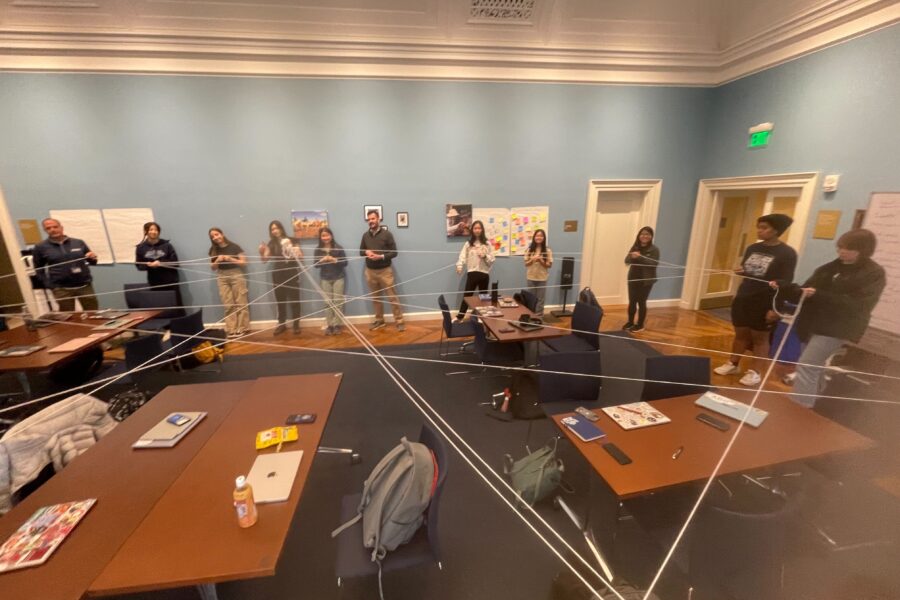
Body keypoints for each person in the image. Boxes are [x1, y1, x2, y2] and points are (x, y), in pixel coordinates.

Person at [780, 229, 885, 407]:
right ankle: (818, 402)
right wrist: (786, 288)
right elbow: (806, 290)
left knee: (807, 365)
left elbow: (859, 304)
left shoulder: (873, 273)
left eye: (849, 248)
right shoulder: (829, 268)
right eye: (840, 247)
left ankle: (799, 407)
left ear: (864, 250)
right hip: (811, 323)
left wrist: (819, 295)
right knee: (815, 365)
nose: (842, 252)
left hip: (837, 327)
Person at [714, 214, 797, 386]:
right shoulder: (752, 248)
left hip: (766, 301)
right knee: (741, 334)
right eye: (758, 227)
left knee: (760, 338)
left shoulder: (787, 253)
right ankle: (733, 364)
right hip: (745, 297)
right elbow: (748, 271)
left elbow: (787, 282)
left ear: (776, 230)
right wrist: (741, 271)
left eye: (764, 227)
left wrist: (776, 308)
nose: (759, 230)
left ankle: (755, 372)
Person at [32, 218, 99, 312]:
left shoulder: (78, 242)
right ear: (45, 230)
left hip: (84, 286)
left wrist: (92, 258)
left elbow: (92, 262)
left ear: (61, 228)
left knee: (93, 313)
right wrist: (50, 286)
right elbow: (38, 269)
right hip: (61, 289)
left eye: (55, 227)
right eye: (48, 228)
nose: (52, 229)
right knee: (67, 316)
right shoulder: (40, 247)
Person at [359, 210, 405, 331]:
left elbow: (394, 252)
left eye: (373, 219)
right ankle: (380, 321)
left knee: (392, 297)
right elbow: (360, 251)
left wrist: (381, 256)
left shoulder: (387, 234)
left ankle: (399, 321)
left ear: (378, 219)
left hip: (385, 271)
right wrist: (366, 252)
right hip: (370, 271)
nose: (371, 221)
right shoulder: (365, 235)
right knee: (376, 298)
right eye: (369, 219)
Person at [258, 220, 302, 336]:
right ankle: (281, 324)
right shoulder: (271, 243)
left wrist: (295, 251)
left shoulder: (292, 240)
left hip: (292, 272)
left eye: (277, 228)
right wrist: (261, 251)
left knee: (295, 299)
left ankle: (296, 325)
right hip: (278, 274)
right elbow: (264, 260)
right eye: (272, 229)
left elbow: (301, 257)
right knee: (280, 300)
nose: (275, 230)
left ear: (281, 228)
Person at [209, 227, 249, 339]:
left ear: (222, 234)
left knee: (241, 301)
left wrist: (230, 259)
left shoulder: (234, 247)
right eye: (213, 236)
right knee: (228, 304)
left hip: (236, 274)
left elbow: (244, 263)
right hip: (222, 276)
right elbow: (213, 267)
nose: (215, 237)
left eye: (217, 234)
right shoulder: (213, 250)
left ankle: (242, 328)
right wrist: (217, 260)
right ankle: (231, 329)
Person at [134, 221, 183, 306]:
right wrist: (148, 265)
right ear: (146, 231)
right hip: (155, 282)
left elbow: (175, 263)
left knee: (175, 306)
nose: (154, 232)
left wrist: (160, 263)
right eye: (151, 229)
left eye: (156, 230)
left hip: (171, 281)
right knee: (159, 306)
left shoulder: (167, 245)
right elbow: (139, 266)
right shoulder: (141, 248)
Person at [455, 220, 495, 321]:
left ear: (482, 230)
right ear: (472, 230)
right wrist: (459, 265)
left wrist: (485, 256)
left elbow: (492, 260)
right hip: (472, 273)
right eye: (475, 228)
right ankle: (460, 317)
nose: (477, 230)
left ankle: (482, 317)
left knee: (484, 296)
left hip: (484, 274)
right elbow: (462, 256)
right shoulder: (468, 244)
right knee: (467, 296)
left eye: (479, 228)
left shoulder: (487, 244)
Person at [623, 226, 660, 332]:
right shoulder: (635, 247)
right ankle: (630, 322)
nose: (644, 236)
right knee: (632, 301)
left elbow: (654, 264)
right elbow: (626, 260)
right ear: (639, 236)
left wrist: (639, 257)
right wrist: (632, 256)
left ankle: (640, 325)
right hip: (633, 279)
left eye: (647, 234)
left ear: (651, 236)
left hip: (646, 280)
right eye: (642, 234)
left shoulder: (654, 249)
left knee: (641, 302)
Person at [313, 226, 348, 336]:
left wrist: (335, 260)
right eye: (323, 235)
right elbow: (315, 265)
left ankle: (337, 325)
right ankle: (330, 326)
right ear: (320, 237)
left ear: (331, 236)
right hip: (325, 279)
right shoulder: (318, 250)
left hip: (338, 278)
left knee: (338, 302)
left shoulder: (338, 248)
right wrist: (322, 260)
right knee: (327, 303)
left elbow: (345, 263)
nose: (325, 237)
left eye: (327, 235)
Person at [523, 229, 553, 316]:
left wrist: (541, 261)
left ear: (544, 238)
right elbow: (526, 264)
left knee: (540, 299)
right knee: (531, 299)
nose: (539, 237)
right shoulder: (529, 250)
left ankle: (539, 317)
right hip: (531, 277)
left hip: (542, 278)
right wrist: (532, 259)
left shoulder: (548, 250)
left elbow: (549, 265)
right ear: (534, 237)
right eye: (537, 236)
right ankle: (531, 316)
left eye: (541, 236)